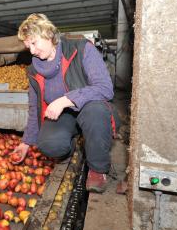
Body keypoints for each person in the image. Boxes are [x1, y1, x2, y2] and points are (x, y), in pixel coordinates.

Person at [12, 13, 118, 193]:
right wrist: (26, 143)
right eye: (27, 46)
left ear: (48, 34)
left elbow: (105, 88)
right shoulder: (33, 71)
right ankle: (71, 145)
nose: (31, 51)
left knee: (95, 112)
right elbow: (34, 108)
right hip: (65, 117)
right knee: (48, 144)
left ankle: (98, 169)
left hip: (90, 109)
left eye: (34, 43)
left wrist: (66, 99)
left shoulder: (82, 49)